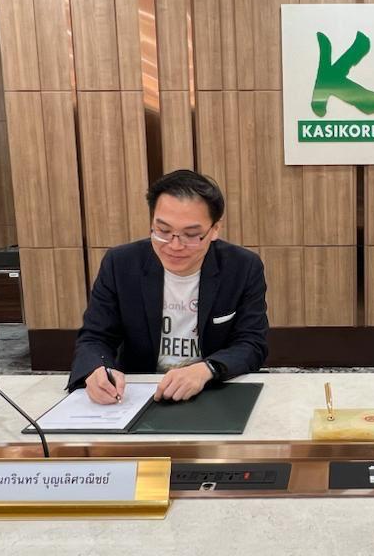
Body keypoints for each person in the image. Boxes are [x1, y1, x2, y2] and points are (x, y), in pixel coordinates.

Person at [68, 170, 269, 403]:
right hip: (136, 393)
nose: (174, 245)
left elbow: (252, 343)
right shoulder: (121, 264)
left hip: (212, 389)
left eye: (191, 235)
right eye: (163, 231)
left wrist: (207, 369)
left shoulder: (242, 267)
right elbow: (95, 337)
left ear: (215, 229)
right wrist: (97, 369)